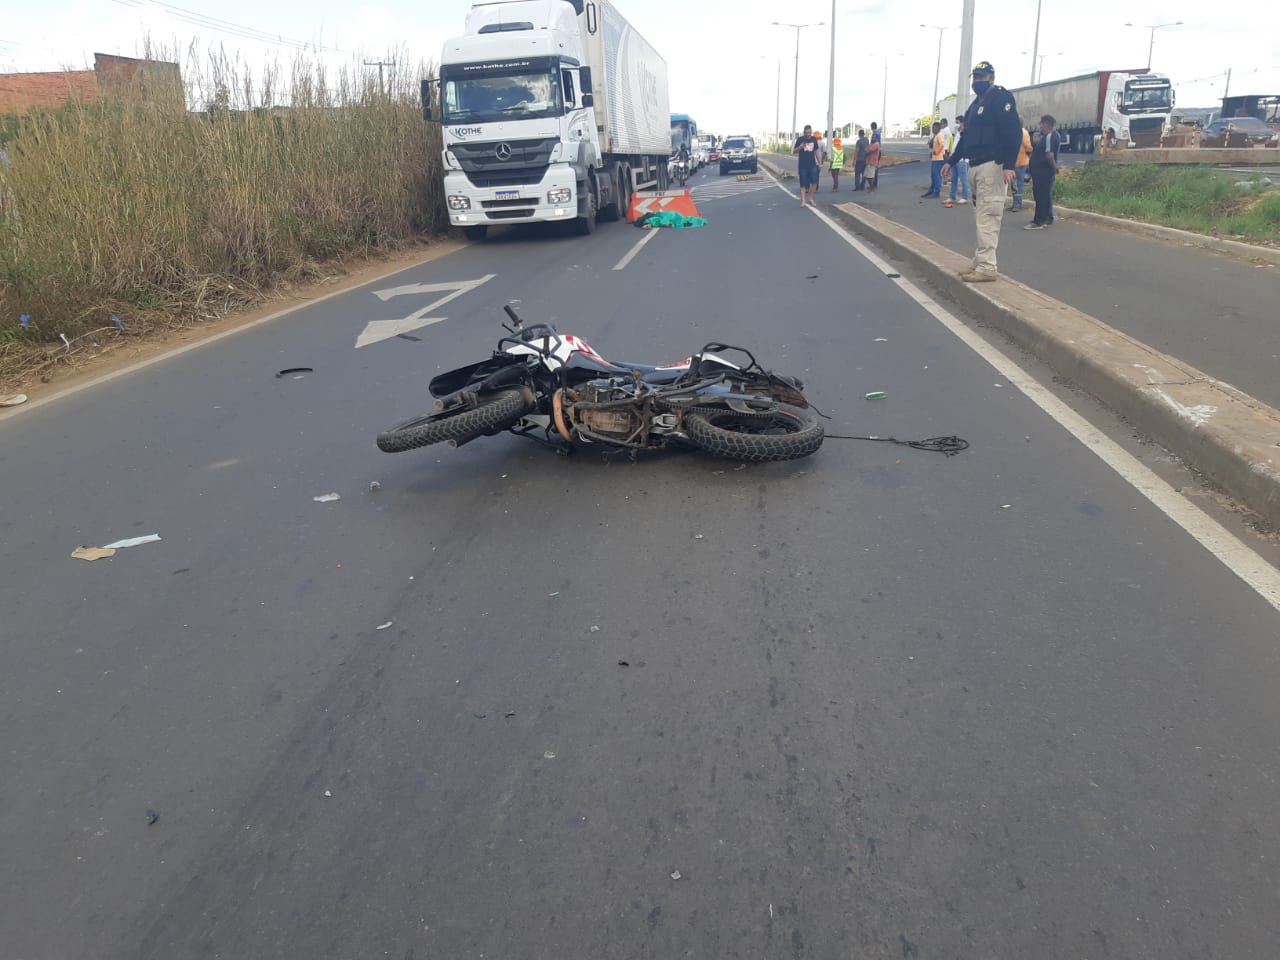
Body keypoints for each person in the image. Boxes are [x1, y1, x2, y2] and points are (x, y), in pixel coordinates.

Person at [941, 60, 1023, 282]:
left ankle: (987, 267)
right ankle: (979, 262)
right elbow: (966, 137)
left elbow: (1013, 133)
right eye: (975, 77)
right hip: (974, 165)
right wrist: (951, 161)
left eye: (982, 77)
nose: (977, 81)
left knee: (988, 216)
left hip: (993, 166)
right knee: (981, 217)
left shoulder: (1001, 99)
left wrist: (1008, 165)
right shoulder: (975, 105)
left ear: (992, 78)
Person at [1025, 114, 1061, 229]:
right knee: (1046, 195)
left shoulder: (1050, 136)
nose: (1040, 126)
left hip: (1042, 172)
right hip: (1042, 171)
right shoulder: (1050, 136)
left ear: (1046, 125)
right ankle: (1047, 217)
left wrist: (1055, 167)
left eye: (1041, 124)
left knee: (1040, 195)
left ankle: (1039, 221)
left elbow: (1049, 155)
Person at [793, 124, 821, 207]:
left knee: (814, 182)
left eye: (810, 132)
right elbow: (794, 151)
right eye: (807, 133)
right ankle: (803, 200)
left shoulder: (814, 139)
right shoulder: (800, 139)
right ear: (804, 132)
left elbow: (817, 151)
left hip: (812, 164)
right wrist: (800, 147)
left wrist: (820, 162)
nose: (808, 134)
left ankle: (811, 198)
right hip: (803, 165)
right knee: (803, 183)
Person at [944, 116, 969, 207]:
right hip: (954, 158)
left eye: (957, 122)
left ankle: (965, 197)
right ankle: (952, 196)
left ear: (963, 122)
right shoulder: (958, 132)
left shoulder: (966, 132)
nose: (956, 124)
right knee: (953, 179)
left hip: (962, 159)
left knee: (963, 179)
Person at [1011, 125, 1031, 211]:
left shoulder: (1022, 133)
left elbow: (1028, 148)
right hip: (1015, 162)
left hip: (1020, 162)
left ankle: (1017, 204)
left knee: (1018, 184)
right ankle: (1015, 203)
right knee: (1014, 184)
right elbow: (1028, 148)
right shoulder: (1022, 132)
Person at [923, 122, 945, 198]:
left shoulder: (939, 135)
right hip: (935, 158)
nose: (933, 129)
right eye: (932, 128)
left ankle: (936, 192)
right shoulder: (936, 136)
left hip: (939, 158)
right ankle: (931, 190)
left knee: (937, 176)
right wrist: (932, 153)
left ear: (938, 128)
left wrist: (936, 152)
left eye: (934, 128)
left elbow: (942, 145)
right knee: (933, 176)